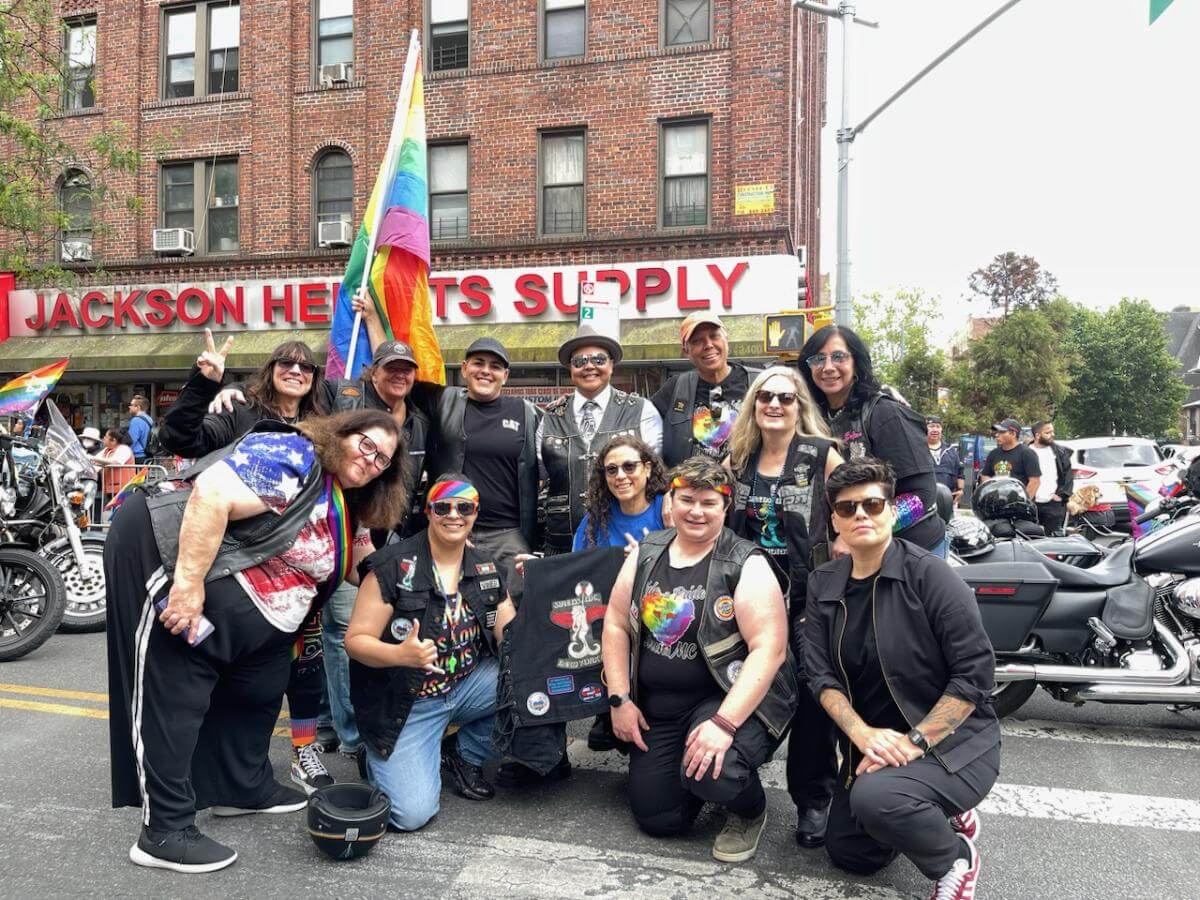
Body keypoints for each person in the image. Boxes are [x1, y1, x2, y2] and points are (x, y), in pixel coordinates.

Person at [106, 409, 406, 873]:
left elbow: (357, 558)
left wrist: (406, 577)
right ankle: (163, 831)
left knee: (262, 684)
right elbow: (212, 495)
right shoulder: (296, 452)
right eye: (367, 444)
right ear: (341, 433)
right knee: (175, 695)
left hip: (262, 607)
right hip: (170, 555)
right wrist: (186, 588)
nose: (372, 460)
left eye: (384, 459)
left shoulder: (348, 498)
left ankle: (240, 786)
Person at [805, 459, 999, 899]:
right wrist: (862, 733)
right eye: (847, 507)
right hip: (873, 743)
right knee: (853, 854)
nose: (860, 515)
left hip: (951, 743)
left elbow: (974, 676)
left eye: (872, 504)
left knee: (877, 801)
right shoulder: (823, 583)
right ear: (834, 519)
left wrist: (914, 742)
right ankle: (930, 809)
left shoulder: (931, 576)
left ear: (892, 511)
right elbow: (818, 674)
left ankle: (955, 858)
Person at [157, 331, 340, 792]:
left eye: (305, 366)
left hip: (300, 571)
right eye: (285, 363)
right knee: (226, 671)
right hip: (239, 566)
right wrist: (206, 383)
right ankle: (215, 767)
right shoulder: (238, 410)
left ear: (315, 377)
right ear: (270, 369)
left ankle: (303, 751)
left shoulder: (325, 423)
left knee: (304, 663)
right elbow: (179, 437)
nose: (295, 370)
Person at [601, 456, 796, 864]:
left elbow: (770, 650)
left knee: (717, 770)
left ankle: (748, 810)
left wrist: (724, 724)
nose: (696, 511)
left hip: (727, 699)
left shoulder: (746, 563)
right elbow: (617, 623)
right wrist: (619, 699)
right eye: (686, 499)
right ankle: (695, 781)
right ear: (669, 503)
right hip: (662, 708)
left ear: (726, 508)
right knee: (660, 818)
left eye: (709, 502)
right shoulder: (646, 553)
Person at [346, 473, 516, 831]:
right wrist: (400, 656)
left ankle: (461, 753)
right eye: (443, 506)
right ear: (428, 511)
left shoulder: (486, 567)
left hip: (467, 686)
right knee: (410, 815)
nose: (454, 514)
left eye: (464, 507)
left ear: (475, 513)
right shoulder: (391, 567)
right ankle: (378, 754)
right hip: (408, 702)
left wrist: (539, 584)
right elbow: (356, 640)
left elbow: (510, 636)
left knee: (531, 684)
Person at [723, 365, 845, 850]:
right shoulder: (739, 458)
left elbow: (867, 504)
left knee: (815, 696)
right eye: (765, 397)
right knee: (740, 680)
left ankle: (814, 800)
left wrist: (844, 544)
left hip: (809, 596)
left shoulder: (821, 455)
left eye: (786, 397)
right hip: (750, 595)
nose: (774, 404)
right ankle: (734, 774)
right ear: (753, 404)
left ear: (800, 407)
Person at [797, 324, 944, 555]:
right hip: (853, 553)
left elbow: (921, 496)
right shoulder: (813, 417)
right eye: (818, 359)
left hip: (911, 550)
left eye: (838, 357)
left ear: (856, 362)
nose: (827, 367)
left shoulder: (886, 413)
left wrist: (858, 533)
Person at [538, 324, 663, 553]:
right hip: (560, 544)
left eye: (598, 359)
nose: (589, 366)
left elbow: (657, 476)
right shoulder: (550, 416)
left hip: (624, 542)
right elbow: (535, 479)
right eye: (579, 361)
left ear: (611, 365)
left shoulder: (642, 410)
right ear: (570, 368)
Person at [425, 337, 541, 582]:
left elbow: (554, 460)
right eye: (479, 363)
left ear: (505, 375)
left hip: (508, 537)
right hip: (453, 528)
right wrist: (372, 317)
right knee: (453, 613)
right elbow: (395, 381)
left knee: (511, 615)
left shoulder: (526, 412)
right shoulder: (443, 401)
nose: (486, 371)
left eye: (495, 366)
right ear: (465, 368)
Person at [652, 312, 761, 467]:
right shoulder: (676, 387)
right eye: (697, 341)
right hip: (690, 488)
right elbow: (642, 425)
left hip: (744, 489)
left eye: (714, 336)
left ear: (726, 339)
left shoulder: (758, 383)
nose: (708, 345)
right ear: (686, 350)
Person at [573, 435, 671, 551]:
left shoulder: (668, 509)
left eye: (629, 466)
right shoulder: (596, 517)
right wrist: (616, 558)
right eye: (612, 469)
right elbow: (577, 563)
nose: (620, 476)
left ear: (647, 469)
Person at [1029, 421, 1073, 535]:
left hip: (1053, 504)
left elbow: (1067, 476)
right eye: (1048, 432)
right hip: (1030, 504)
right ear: (1038, 435)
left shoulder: (1060, 452)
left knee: (1053, 540)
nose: (1052, 435)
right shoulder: (1026, 452)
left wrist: (1061, 495)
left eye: (1052, 432)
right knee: (1031, 539)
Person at [979, 418, 1040, 500]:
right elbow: (985, 475)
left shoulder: (1027, 453)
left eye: (1001, 432)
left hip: (1018, 506)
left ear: (1013, 434)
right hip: (997, 505)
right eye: (997, 432)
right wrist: (991, 491)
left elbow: (1034, 481)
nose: (997, 435)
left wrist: (1024, 502)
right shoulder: (993, 454)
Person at [93, 427, 136, 508]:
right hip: (111, 488)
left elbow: (116, 462)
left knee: (122, 512)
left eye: (106, 437)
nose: (104, 438)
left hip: (124, 489)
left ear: (114, 440)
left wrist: (93, 458)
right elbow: (95, 462)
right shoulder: (107, 450)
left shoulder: (124, 449)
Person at [926, 416, 964, 505]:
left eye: (938, 426)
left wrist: (960, 490)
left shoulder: (951, 450)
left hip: (946, 500)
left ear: (941, 429)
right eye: (931, 426)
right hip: (924, 501)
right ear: (925, 428)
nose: (935, 430)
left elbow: (960, 472)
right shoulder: (917, 450)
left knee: (946, 519)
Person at [128, 395, 154, 462]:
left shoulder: (136, 420)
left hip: (136, 456)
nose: (129, 407)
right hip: (146, 454)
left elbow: (131, 440)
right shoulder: (149, 419)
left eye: (131, 405)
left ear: (138, 407)